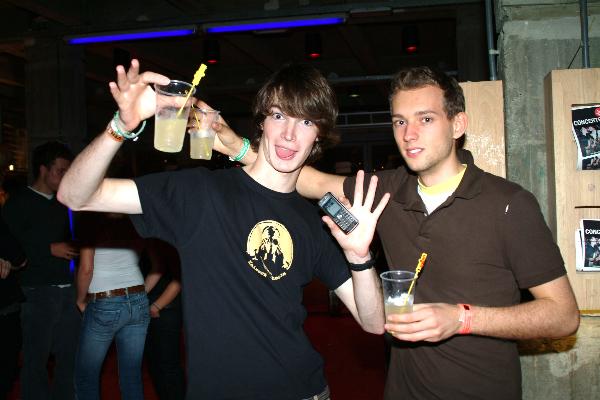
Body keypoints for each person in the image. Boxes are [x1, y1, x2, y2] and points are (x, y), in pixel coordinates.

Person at [211, 66, 580, 399]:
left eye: (425, 119)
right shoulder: (386, 191)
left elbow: (563, 316)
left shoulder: (508, 204)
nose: (409, 134)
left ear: (457, 125)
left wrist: (462, 318)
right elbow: (312, 181)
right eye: (400, 121)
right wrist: (238, 147)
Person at [58, 59, 388, 400]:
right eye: (279, 116)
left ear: (318, 134)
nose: (289, 134)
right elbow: (74, 196)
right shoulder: (199, 192)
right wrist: (120, 126)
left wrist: (359, 256)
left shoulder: (312, 221)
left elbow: (374, 322)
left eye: (305, 121)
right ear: (262, 122)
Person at [3, 141, 80, 400]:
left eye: (68, 171)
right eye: (60, 171)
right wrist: (48, 248)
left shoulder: (63, 203)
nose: (64, 176)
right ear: (43, 169)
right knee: (35, 360)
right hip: (35, 291)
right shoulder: (18, 203)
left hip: (68, 289)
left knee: (69, 357)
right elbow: (9, 248)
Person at [74, 211, 149, 400]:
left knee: (86, 376)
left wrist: (80, 299)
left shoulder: (91, 219)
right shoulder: (136, 218)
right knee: (132, 375)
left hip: (106, 299)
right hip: (138, 296)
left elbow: (86, 269)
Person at [142, 239, 185, 400]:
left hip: (166, 310)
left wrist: (156, 306)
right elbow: (157, 268)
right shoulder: (150, 236)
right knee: (155, 366)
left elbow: (178, 279)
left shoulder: (167, 238)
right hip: (151, 309)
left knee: (168, 368)